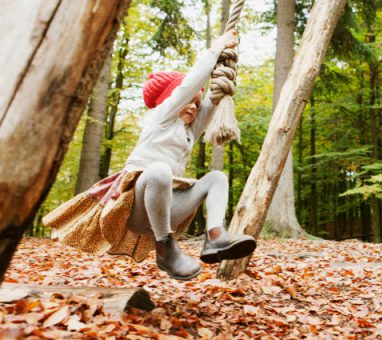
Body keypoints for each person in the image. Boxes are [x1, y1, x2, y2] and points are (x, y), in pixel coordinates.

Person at [43, 30, 256, 281]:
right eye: (188, 101)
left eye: (196, 104)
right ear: (171, 101)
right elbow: (187, 87)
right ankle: (165, 249)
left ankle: (216, 238)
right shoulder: (161, 118)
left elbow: (210, 104)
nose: (193, 106)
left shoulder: (188, 131)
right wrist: (216, 48)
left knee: (216, 178)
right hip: (136, 206)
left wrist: (224, 73)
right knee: (159, 170)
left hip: (166, 207)